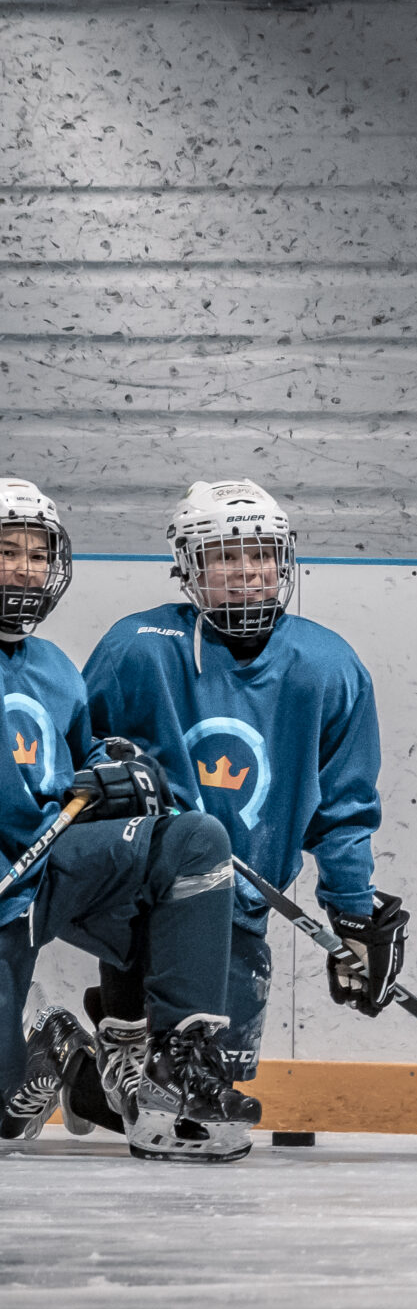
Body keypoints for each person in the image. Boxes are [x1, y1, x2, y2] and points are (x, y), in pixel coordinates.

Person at [69, 480, 398, 1130]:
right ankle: (123, 1033)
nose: (246, 571)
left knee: (208, 1104)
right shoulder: (137, 649)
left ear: (285, 562)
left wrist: (354, 911)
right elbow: (79, 767)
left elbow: (345, 803)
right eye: (223, 555)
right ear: (187, 567)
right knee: (176, 1100)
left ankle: (89, 1083)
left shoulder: (328, 665)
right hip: (141, 892)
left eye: (260, 555)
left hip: (243, 906)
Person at [0, 478, 251, 1162]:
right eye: (7, 550)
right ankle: (62, 1053)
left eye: (36, 553)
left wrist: (119, 772)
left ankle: (183, 1062)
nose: (24, 567)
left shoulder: (54, 667)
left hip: (53, 865)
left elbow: (81, 760)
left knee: (195, 840)